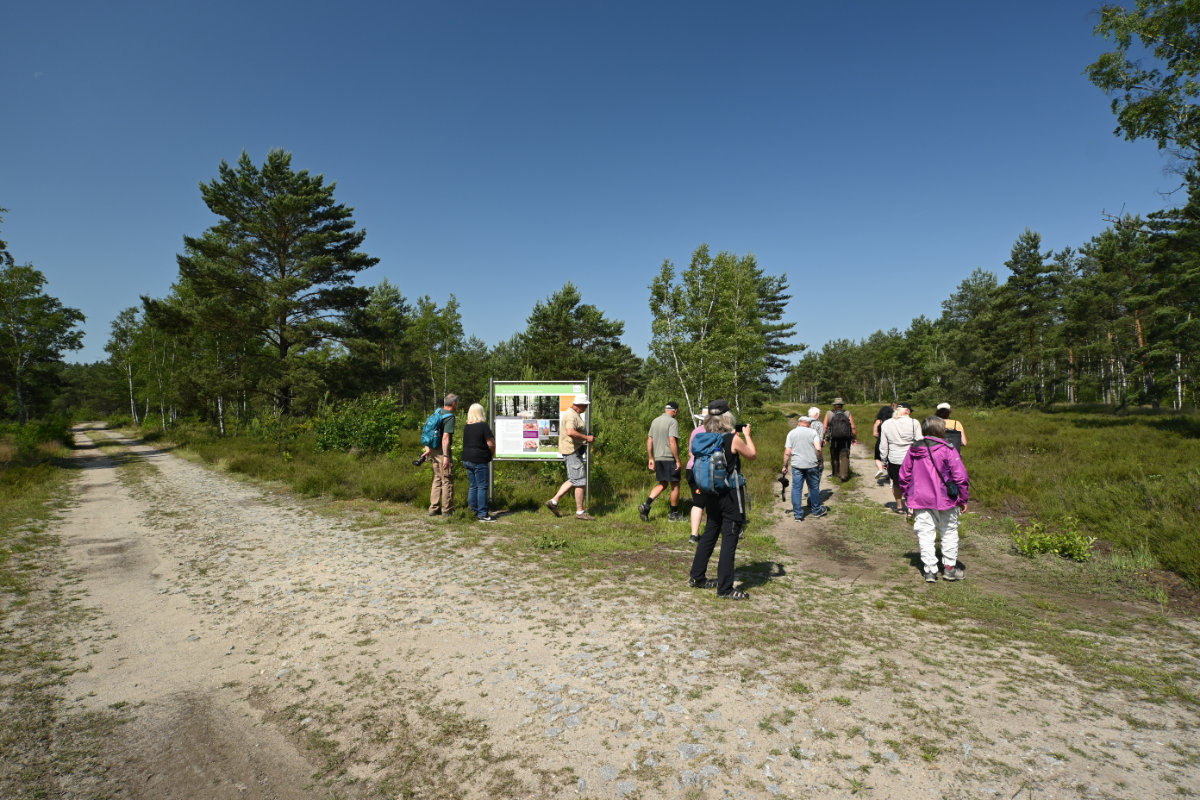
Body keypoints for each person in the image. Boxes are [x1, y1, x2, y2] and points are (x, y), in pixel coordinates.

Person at [688, 399, 756, 600]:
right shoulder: (731, 439)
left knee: (709, 533)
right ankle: (725, 588)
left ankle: (697, 577)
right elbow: (752, 455)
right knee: (729, 538)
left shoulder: (704, 437)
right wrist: (747, 436)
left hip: (710, 493)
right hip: (730, 494)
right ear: (728, 417)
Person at [898, 416, 970, 583]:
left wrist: (908, 495)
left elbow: (904, 475)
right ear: (940, 429)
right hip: (946, 498)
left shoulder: (914, 448)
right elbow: (960, 477)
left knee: (925, 533)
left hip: (920, 498)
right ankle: (949, 569)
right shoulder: (948, 449)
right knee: (949, 531)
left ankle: (930, 570)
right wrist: (963, 498)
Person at [544, 394, 595, 520]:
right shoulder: (571, 415)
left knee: (574, 479)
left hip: (573, 451)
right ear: (579, 405)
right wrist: (586, 438)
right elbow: (570, 432)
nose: (586, 408)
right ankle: (580, 512)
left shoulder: (572, 413)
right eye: (585, 406)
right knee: (580, 481)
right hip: (572, 451)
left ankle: (554, 502)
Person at [639, 401, 682, 521]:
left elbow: (649, 440)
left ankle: (646, 505)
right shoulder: (673, 422)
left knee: (662, 484)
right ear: (676, 410)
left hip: (658, 458)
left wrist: (651, 458)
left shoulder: (655, 421)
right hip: (669, 457)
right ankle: (674, 515)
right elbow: (672, 440)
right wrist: (677, 460)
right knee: (675, 484)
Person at [879, 402, 923, 515]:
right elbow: (919, 441)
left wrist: (884, 460)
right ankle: (911, 508)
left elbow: (883, 445)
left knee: (896, 483)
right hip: (911, 458)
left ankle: (899, 506)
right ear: (907, 411)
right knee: (912, 483)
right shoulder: (914, 423)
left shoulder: (886, 424)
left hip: (894, 458)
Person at [782, 416, 826, 520]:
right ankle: (816, 510)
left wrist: (785, 465)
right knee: (814, 488)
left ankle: (797, 514)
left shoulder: (791, 433)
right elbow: (818, 449)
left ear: (799, 423)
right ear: (809, 424)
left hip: (797, 466)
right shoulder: (813, 432)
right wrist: (819, 461)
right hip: (812, 465)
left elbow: (787, 452)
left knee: (797, 489)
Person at [462, 403, 497, 522]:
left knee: (473, 486)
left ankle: (472, 511)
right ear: (481, 412)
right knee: (482, 486)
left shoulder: (467, 426)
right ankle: (482, 514)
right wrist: (492, 453)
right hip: (479, 459)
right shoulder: (483, 426)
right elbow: (491, 443)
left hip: (467, 459)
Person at [428, 393, 458, 516]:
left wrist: (428, 449)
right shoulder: (449, 417)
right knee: (447, 479)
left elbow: (427, 431)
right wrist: (446, 456)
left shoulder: (437, 412)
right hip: (442, 451)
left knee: (437, 478)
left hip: (433, 450)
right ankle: (447, 510)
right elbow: (445, 437)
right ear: (454, 404)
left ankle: (434, 508)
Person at [684, 408, 708, 545]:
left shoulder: (696, 431)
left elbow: (690, 452)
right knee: (710, 502)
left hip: (692, 469)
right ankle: (713, 531)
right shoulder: (717, 432)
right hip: (704, 471)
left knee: (698, 502)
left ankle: (694, 535)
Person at [822, 398, 857, 482]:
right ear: (842, 405)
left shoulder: (829, 413)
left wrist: (823, 437)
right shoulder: (847, 413)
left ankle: (835, 474)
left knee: (834, 455)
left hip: (833, 439)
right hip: (845, 439)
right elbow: (853, 427)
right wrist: (854, 438)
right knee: (844, 456)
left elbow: (825, 427)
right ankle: (844, 475)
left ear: (834, 405)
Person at [872, 403, 895, 479]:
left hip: (880, 441)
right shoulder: (893, 421)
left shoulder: (878, 421)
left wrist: (880, 438)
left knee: (877, 458)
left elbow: (875, 434)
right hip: (891, 442)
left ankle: (880, 469)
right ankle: (891, 476)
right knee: (890, 460)